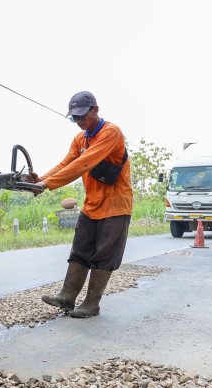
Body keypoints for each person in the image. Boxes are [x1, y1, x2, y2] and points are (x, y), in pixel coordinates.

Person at [31, 91, 133, 317]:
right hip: (91, 206)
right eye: (73, 118)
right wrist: (40, 181)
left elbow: (85, 162)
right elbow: (65, 164)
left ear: (95, 110)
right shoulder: (80, 139)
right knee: (80, 251)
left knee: (104, 256)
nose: (78, 121)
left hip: (115, 207)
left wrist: (47, 184)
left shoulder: (110, 132)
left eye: (81, 116)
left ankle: (92, 304)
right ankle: (67, 298)